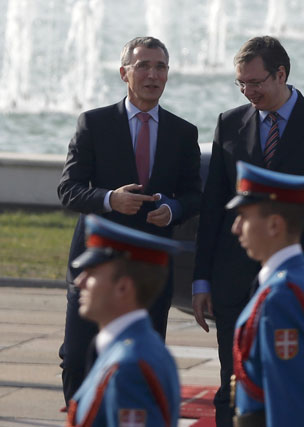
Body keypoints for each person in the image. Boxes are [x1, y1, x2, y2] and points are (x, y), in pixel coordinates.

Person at [191, 35, 304, 425]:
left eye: (256, 82)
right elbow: (214, 208)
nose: (249, 92)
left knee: (289, 384)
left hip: (299, 280)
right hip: (233, 282)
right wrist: (201, 279)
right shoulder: (229, 124)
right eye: (241, 84)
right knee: (233, 385)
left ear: (281, 74)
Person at [58, 36, 202, 404]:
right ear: (125, 73)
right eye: (143, 66)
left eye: (161, 67)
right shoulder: (94, 123)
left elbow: (192, 195)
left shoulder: (183, 133)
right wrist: (109, 199)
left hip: (149, 270)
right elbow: (69, 189)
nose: (153, 75)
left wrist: (173, 210)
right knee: (77, 357)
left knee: (141, 365)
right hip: (96, 264)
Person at [227, 161, 304, 426]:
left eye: (243, 216)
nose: (235, 227)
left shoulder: (281, 297)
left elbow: (291, 407)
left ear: (274, 225)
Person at [66, 214, 182, 427]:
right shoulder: (129, 348)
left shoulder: (129, 367)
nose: (80, 281)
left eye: (91, 273)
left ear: (123, 288)